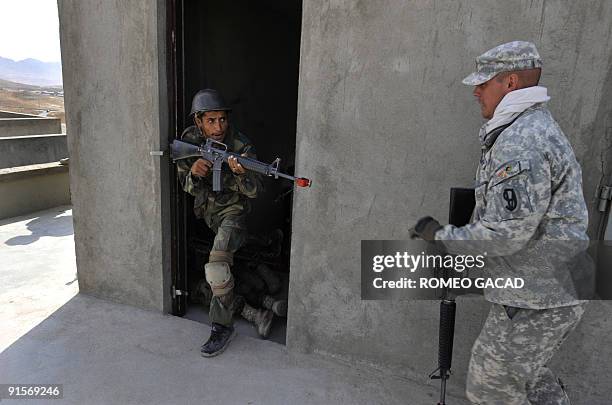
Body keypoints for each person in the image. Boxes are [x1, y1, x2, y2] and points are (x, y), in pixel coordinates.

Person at [411, 41, 589, 404]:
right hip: (547, 289)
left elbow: (507, 234)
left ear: (510, 83)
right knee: (527, 374)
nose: (476, 90)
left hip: (539, 296)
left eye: (483, 82)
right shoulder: (525, 128)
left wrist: (442, 236)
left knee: (489, 388)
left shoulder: (520, 142)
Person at [177, 88, 264, 357]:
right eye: (211, 121)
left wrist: (240, 174)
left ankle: (221, 327)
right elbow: (185, 185)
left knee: (216, 266)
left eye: (223, 120)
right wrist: (193, 171)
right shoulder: (189, 140)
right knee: (208, 268)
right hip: (206, 212)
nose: (219, 127)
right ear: (198, 122)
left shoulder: (241, 146)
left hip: (233, 214)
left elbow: (255, 191)